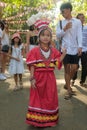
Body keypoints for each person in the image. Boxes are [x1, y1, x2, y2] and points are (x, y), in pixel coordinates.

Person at [25, 21, 66, 127]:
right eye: (43, 35)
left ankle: (50, 119)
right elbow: (32, 65)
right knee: (37, 98)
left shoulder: (54, 51)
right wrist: (32, 78)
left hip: (50, 78)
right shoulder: (34, 51)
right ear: (39, 37)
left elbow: (57, 62)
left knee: (50, 98)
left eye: (48, 35)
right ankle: (36, 120)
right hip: (38, 78)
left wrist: (64, 54)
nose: (45, 37)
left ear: (50, 37)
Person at [56, 2, 82, 99]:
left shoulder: (77, 22)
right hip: (65, 49)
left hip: (75, 49)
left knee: (75, 68)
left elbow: (79, 34)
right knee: (67, 70)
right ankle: (68, 90)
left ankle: (67, 83)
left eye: (64, 11)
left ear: (69, 10)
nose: (62, 13)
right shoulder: (60, 23)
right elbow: (58, 35)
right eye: (61, 12)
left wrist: (80, 46)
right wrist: (65, 28)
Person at [76, 13, 87, 87]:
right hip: (76, 51)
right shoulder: (74, 29)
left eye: (82, 18)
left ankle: (82, 81)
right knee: (75, 66)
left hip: (85, 50)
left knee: (85, 66)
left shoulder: (86, 28)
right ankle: (73, 79)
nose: (81, 19)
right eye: (80, 18)